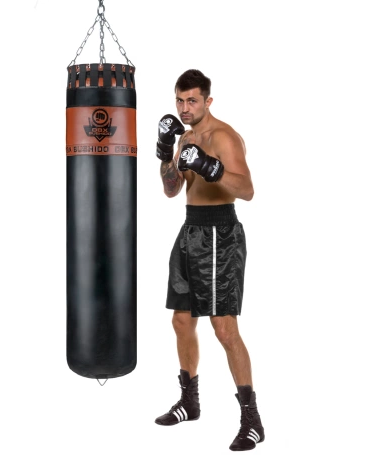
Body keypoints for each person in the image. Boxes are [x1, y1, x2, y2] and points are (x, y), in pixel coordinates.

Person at [154, 69, 265, 452]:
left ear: (208, 101)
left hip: (220, 234)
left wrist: (210, 167)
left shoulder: (224, 137)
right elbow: (172, 190)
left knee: (224, 329)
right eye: (179, 100)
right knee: (181, 320)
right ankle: (190, 401)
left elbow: (247, 189)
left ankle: (252, 420)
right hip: (190, 230)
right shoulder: (186, 138)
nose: (184, 108)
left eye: (192, 101)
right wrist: (164, 151)